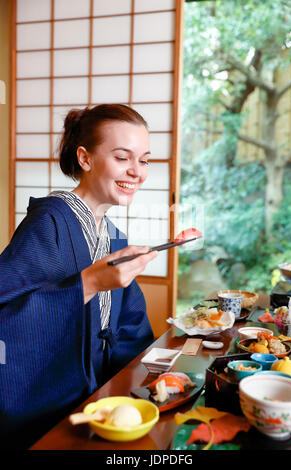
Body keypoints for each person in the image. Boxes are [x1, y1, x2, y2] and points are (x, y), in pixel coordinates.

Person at [0, 104, 158, 448]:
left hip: (100, 400)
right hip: (50, 410)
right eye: (122, 158)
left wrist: (152, 375)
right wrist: (88, 284)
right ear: (85, 159)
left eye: (144, 160)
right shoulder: (49, 223)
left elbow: (131, 327)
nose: (137, 172)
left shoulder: (114, 235)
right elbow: (4, 315)